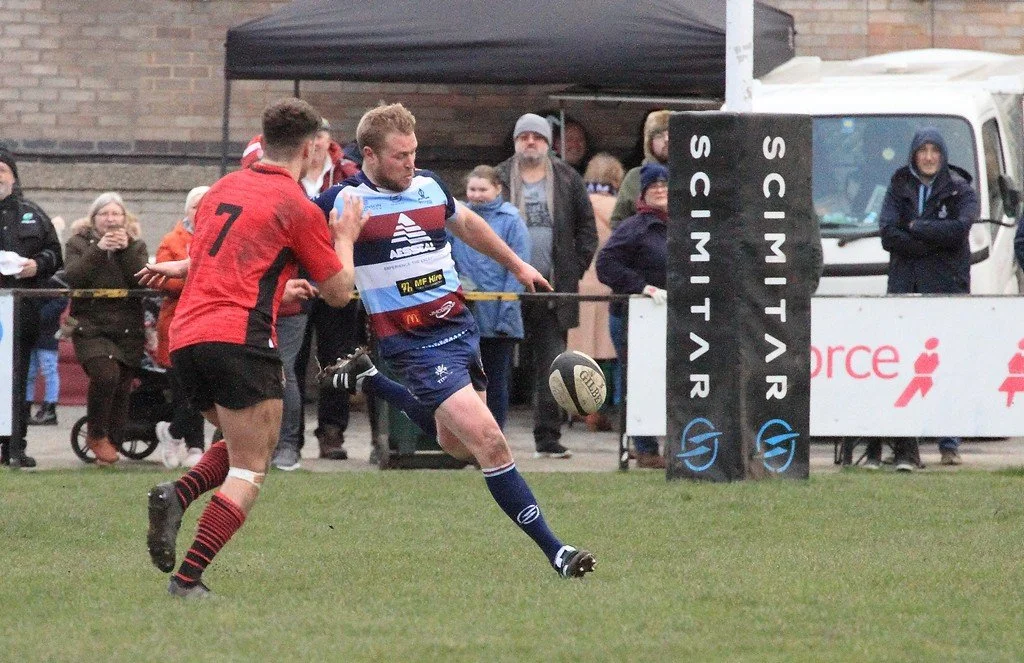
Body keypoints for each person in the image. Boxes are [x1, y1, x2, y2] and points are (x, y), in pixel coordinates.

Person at [315, 103, 596, 579]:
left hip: (461, 328)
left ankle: (372, 380)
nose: (410, 163)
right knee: (491, 443)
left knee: (457, 446)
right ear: (369, 155)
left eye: (414, 152)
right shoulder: (342, 202)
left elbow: (466, 223)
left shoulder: (428, 185)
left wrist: (518, 265)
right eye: (400, 155)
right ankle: (558, 551)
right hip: (413, 343)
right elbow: (280, 237)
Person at [138, 98, 364, 598]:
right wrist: (345, 237)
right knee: (250, 466)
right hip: (238, 338)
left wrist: (185, 266)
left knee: (245, 441)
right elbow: (338, 293)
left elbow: (224, 256)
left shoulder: (223, 188)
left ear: (262, 141)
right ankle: (187, 579)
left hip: (187, 337)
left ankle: (178, 494)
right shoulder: (297, 205)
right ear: (311, 149)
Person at [495, 112, 598, 459]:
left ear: (548, 143)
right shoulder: (498, 177)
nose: (530, 142)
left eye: (537, 137)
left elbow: (587, 230)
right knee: (496, 363)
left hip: (552, 288)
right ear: (515, 141)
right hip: (504, 287)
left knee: (553, 364)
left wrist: (573, 270)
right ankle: (490, 436)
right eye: (524, 136)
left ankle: (548, 437)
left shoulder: (568, 178)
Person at [878, 126, 979, 469]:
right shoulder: (898, 184)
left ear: (943, 154)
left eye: (935, 150)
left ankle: (949, 443)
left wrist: (916, 227)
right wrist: (931, 242)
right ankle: (905, 444)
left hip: (947, 287)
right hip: (905, 286)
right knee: (903, 363)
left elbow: (959, 231)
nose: (929, 157)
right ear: (914, 154)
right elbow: (888, 233)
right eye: (923, 150)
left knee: (947, 363)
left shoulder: (960, 189)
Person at [63, 192, 150, 466]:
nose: (110, 219)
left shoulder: (136, 245)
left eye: (116, 214)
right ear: (94, 218)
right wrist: (99, 249)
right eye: (104, 214)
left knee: (123, 383)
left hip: (127, 327)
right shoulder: (77, 243)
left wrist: (125, 251)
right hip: (90, 324)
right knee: (105, 374)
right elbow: (74, 277)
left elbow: (141, 280)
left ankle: (113, 439)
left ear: (124, 218)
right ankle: (97, 434)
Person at [596, 163, 671, 469]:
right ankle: (644, 447)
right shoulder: (633, 228)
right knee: (639, 378)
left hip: (671, 315)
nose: (660, 190)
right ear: (642, 193)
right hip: (633, 316)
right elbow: (606, 264)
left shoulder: (686, 225)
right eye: (654, 186)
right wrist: (641, 287)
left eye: (665, 185)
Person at [449, 165, 530, 430]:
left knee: (494, 380)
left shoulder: (511, 221)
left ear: (497, 189)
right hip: (464, 313)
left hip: (498, 317)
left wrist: (506, 314)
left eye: (483, 189)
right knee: (463, 382)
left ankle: (495, 433)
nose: (476, 195)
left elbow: (518, 268)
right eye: (472, 189)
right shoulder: (456, 217)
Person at [0, 147, 63, 468]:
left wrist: (36, 266)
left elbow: (55, 254)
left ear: (13, 177)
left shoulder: (33, 214)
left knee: (17, 378)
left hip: (20, 313)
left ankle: (15, 445)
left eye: (1, 170)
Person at [153, 186, 210, 469]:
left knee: (203, 388)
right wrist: (198, 279)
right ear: (186, 210)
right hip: (177, 323)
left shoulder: (221, 237)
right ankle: (186, 440)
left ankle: (181, 438)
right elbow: (164, 279)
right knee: (184, 389)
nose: (201, 211)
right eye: (196, 206)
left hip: (210, 323)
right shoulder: (171, 240)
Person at [567, 153, 623, 432]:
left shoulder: (577, 205)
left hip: (579, 282)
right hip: (606, 284)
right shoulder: (617, 207)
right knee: (606, 352)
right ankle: (600, 410)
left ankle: (578, 407)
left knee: (580, 349)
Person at [611, 110, 670, 228]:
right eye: (659, 136)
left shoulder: (692, 175)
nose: (666, 139)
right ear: (649, 142)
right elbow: (618, 221)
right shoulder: (635, 176)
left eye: (671, 134)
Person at [25, 283, 67, 426]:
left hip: (46, 332)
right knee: (29, 372)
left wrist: (37, 316)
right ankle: (26, 408)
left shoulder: (53, 279)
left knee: (48, 370)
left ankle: (49, 408)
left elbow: (61, 299)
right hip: (33, 331)